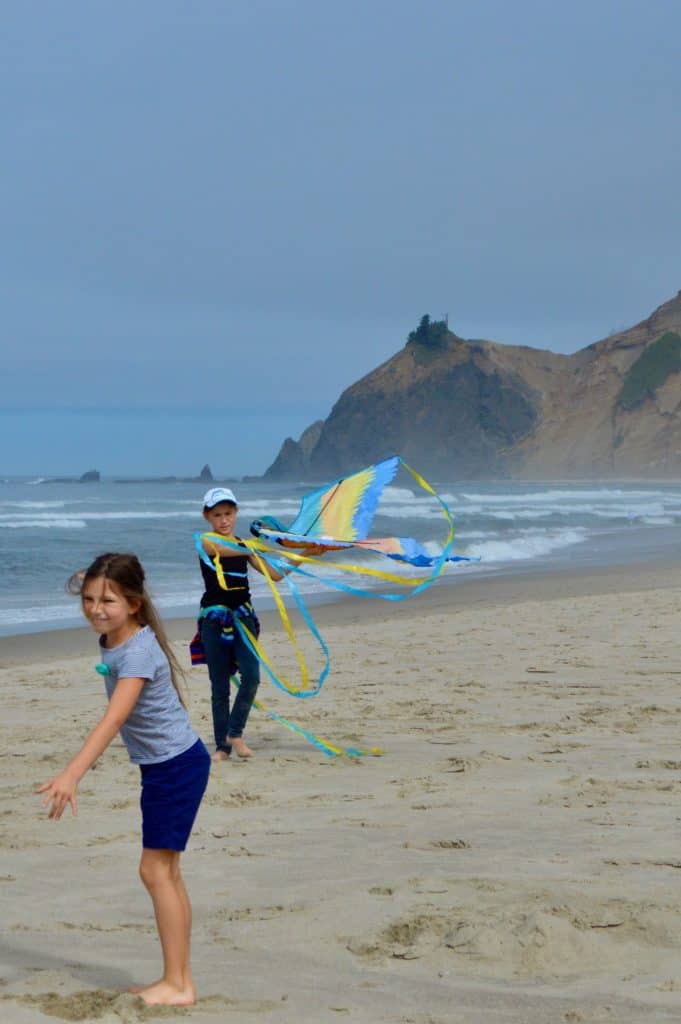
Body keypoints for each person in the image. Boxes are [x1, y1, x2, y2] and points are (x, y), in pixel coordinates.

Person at [36, 553, 210, 1007]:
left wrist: (71, 775)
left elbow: (113, 721)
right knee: (166, 872)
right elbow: (99, 586)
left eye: (107, 601)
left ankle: (178, 983)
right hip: (171, 764)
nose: (95, 608)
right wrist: (91, 580)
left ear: (134, 603)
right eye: (89, 599)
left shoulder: (135, 652)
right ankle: (179, 978)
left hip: (174, 768)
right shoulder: (117, 631)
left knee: (155, 871)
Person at [196, 486, 302, 762]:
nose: (224, 520)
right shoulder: (206, 541)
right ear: (207, 516)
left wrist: (305, 554)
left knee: (252, 676)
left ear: (236, 512)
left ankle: (235, 732)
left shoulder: (245, 545)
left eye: (228, 513)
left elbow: (275, 574)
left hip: (243, 617)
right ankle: (222, 746)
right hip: (214, 620)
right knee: (219, 685)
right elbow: (226, 549)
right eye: (217, 514)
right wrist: (258, 544)